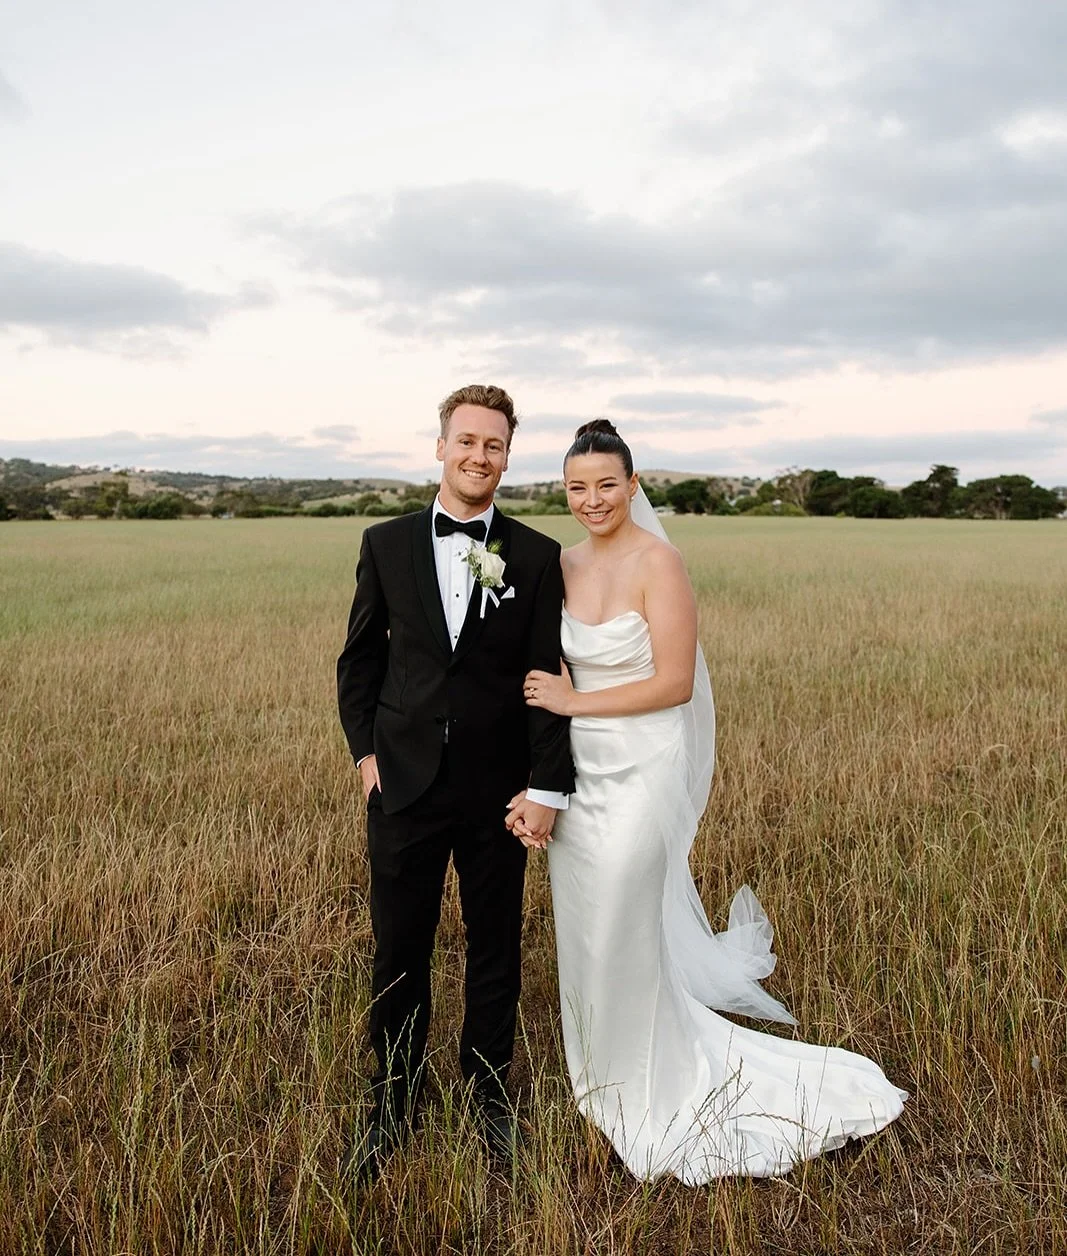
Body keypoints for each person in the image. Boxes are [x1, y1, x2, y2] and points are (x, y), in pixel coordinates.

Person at [519, 419, 906, 1182]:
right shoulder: (560, 564)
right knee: (585, 923)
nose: (592, 499)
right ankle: (598, 1070)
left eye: (606, 484)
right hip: (579, 770)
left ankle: (650, 1079)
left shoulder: (658, 562)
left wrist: (573, 703)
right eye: (576, 487)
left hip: (642, 764)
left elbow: (671, 683)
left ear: (632, 485)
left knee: (623, 911)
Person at [337, 385, 574, 1179]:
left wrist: (545, 786)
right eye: (466, 440)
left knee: (494, 947)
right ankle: (393, 1099)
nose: (479, 455)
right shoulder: (384, 542)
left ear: (507, 456)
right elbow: (359, 661)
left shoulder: (536, 556)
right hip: (402, 784)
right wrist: (365, 758)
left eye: (494, 444)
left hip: (497, 790)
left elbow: (546, 678)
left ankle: (488, 1096)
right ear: (441, 446)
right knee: (398, 947)